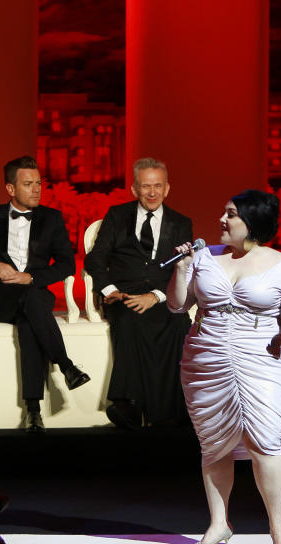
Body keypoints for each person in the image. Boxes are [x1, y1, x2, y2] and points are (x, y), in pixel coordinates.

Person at [167, 189, 281, 544]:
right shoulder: (204, 257)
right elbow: (175, 305)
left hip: (261, 360)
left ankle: (277, 526)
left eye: (230, 214)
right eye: (224, 211)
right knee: (213, 443)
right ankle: (219, 523)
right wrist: (183, 267)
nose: (221, 219)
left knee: (265, 440)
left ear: (252, 221)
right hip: (206, 357)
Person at [0, 155, 90, 433]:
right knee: (31, 303)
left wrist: (32, 277)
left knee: (30, 316)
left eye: (38, 183)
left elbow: (66, 263)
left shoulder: (52, 219)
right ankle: (65, 366)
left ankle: (33, 411)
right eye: (28, 184)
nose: (37, 189)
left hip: (34, 293)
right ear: (11, 189)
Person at [84, 157, 193, 429]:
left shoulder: (181, 223)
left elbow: (182, 269)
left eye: (158, 186)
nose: (153, 192)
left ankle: (173, 411)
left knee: (179, 326)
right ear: (134, 189)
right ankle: (128, 404)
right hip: (122, 295)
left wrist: (155, 296)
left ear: (167, 188)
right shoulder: (116, 216)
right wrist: (110, 290)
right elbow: (95, 259)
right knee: (131, 319)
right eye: (146, 187)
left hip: (162, 295)